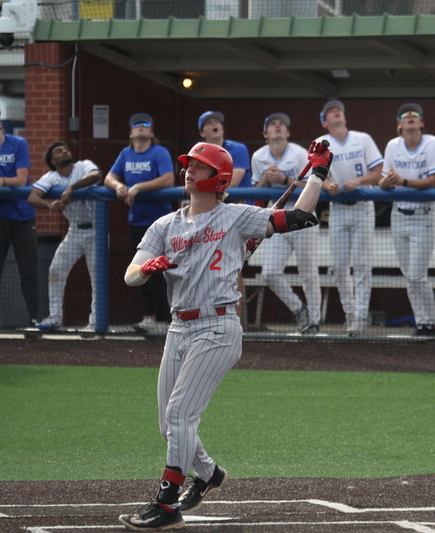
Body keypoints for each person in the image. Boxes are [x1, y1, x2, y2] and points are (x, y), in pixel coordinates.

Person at [118, 140, 331, 531]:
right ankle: (209, 474)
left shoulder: (236, 216)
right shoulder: (164, 225)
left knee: (180, 415)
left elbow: (300, 216)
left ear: (218, 179)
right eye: (189, 165)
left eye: (198, 166)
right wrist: (147, 268)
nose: (189, 170)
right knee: (169, 425)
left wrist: (317, 171)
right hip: (179, 327)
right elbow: (131, 275)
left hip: (217, 327)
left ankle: (166, 503)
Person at [103, 113, 175, 335]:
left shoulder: (159, 152)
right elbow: (108, 178)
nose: (141, 126)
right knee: (143, 270)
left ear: (151, 133)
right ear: (131, 133)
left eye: (146, 124)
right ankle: (150, 318)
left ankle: (166, 321)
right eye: (137, 124)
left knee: (166, 272)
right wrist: (118, 186)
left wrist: (138, 187)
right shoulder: (126, 154)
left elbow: (168, 179)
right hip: (137, 222)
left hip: (161, 221)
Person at [316, 100, 383, 336]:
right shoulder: (320, 143)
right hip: (337, 208)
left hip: (362, 207)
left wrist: (359, 181)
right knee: (339, 267)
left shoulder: (362, 138)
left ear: (344, 117)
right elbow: (317, 176)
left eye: (338, 110)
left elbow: (378, 172)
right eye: (330, 111)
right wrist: (328, 185)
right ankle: (351, 315)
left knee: (363, 265)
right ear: (324, 122)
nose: (336, 111)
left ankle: (361, 319)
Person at [378, 103, 435, 337]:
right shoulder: (392, 145)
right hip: (399, 214)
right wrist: (386, 183)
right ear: (399, 125)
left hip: (423, 216)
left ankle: (431, 322)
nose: (410, 117)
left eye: (415, 115)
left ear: (421, 123)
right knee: (409, 275)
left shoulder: (434, 143)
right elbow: (383, 182)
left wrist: (403, 182)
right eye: (405, 116)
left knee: (417, 274)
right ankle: (423, 322)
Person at [253, 112, 321, 334]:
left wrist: (283, 180)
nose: (278, 126)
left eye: (282, 124)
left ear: (288, 132)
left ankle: (314, 322)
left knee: (308, 271)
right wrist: (266, 179)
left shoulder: (300, 153)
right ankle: (299, 309)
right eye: (272, 124)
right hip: (277, 216)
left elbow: (313, 186)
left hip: (302, 213)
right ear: (265, 134)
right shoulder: (259, 156)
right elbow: (255, 192)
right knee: (269, 273)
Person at [28, 142, 100, 331]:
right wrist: (49, 205)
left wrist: (71, 188)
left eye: (65, 149)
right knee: (56, 269)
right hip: (74, 231)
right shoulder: (51, 177)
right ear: (53, 161)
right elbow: (32, 197)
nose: (65, 151)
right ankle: (55, 317)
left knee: (97, 277)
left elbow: (96, 175)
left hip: (96, 231)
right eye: (59, 151)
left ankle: (96, 322)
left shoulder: (83, 165)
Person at [197, 111, 253, 318]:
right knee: (211, 270)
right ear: (202, 132)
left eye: (217, 122)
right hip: (212, 217)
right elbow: (193, 183)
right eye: (208, 122)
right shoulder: (198, 153)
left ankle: (236, 321)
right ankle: (216, 319)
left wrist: (206, 189)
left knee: (234, 270)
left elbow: (232, 182)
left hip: (238, 217)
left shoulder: (237, 149)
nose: (214, 124)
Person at [0, 106, 38, 331]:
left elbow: (21, 180)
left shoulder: (18, 143)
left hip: (23, 214)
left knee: (28, 269)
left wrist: (1, 181)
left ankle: (34, 320)